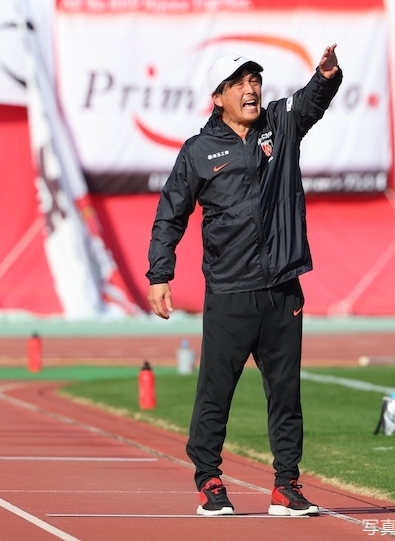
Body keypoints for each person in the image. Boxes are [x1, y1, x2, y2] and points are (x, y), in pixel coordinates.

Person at [146, 45, 342, 516]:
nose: (251, 89)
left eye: (254, 80)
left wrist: (326, 76)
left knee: (286, 396)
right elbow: (170, 215)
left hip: (282, 290)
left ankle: (286, 486)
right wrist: (160, 274)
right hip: (230, 291)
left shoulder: (281, 124)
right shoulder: (197, 151)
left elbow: (310, 100)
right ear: (218, 97)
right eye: (239, 83)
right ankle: (209, 480)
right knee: (215, 393)